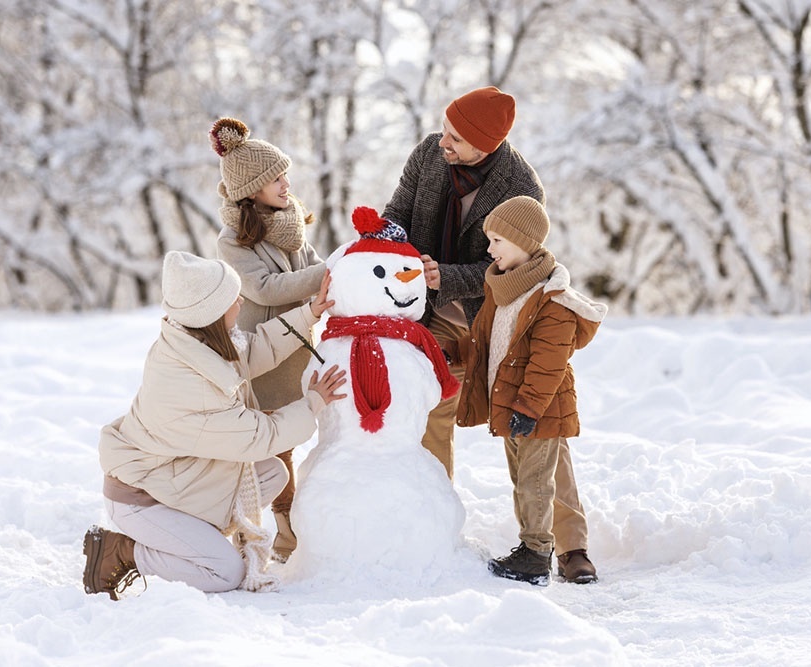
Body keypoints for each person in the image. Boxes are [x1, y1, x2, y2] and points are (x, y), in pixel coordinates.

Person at [381, 86, 599, 582]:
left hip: (497, 315)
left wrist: (448, 275)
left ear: (486, 143)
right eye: (446, 129)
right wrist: (385, 239)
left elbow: (509, 264)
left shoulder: (520, 187)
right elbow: (398, 211)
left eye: (457, 137)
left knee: (544, 427)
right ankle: (431, 527)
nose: (444, 142)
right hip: (432, 309)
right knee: (428, 404)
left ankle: (570, 546)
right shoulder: (428, 153)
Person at [82, 251, 345, 600]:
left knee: (271, 473)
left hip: (177, 478)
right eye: (230, 299)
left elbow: (255, 351)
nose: (239, 301)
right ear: (210, 314)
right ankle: (123, 551)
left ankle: (197, 539)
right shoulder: (188, 386)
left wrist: (310, 312)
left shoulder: (198, 343)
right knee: (225, 571)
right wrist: (313, 402)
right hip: (142, 499)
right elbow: (258, 436)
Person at [453, 196, 607, 585]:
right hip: (510, 406)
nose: (489, 249)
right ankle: (531, 547)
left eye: (497, 240)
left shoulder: (552, 301)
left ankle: (537, 553)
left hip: (536, 408)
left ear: (523, 241)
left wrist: (529, 406)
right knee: (523, 480)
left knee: (537, 482)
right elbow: (485, 342)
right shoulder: (503, 290)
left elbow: (548, 362)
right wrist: (449, 351)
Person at [209, 117, 328, 562]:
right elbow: (268, 289)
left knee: (299, 438)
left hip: (299, 346)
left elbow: (311, 268)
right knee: (277, 447)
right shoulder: (233, 241)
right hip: (265, 354)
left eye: (284, 174)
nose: (286, 183)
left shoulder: (290, 223)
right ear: (252, 187)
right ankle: (282, 533)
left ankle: (301, 526)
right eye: (275, 178)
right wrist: (328, 274)